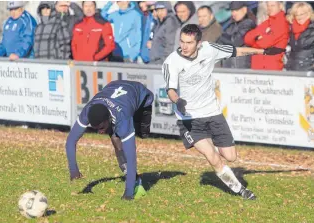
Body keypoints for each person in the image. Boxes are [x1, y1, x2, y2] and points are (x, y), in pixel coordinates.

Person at [162, 24, 285, 200]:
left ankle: (218, 157)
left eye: (189, 42)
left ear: (199, 43)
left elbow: (237, 51)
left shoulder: (209, 49)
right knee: (211, 156)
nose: (184, 46)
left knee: (231, 156)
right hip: (189, 118)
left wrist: (263, 52)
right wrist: (178, 101)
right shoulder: (171, 62)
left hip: (212, 112)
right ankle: (241, 190)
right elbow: (171, 90)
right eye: (182, 41)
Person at [65, 80, 154, 200]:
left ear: (108, 119)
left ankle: (132, 181)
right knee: (116, 140)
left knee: (142, 134)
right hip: (114, 88)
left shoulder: (122, 118)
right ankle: (133, 178)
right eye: (96, 129)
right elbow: (71, 141)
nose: (100, 132)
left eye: (101, 128)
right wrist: (74, 171)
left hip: (141, 97)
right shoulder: (88, 111)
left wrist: (128, 193)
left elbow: (131, 157)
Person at [286, 2, 314, 71]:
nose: (299, 17)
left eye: (301, 14)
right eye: (296, 15)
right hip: (292, 68)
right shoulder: (291, 29)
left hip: (308, 70)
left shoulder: (312, 29)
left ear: (308, 14)